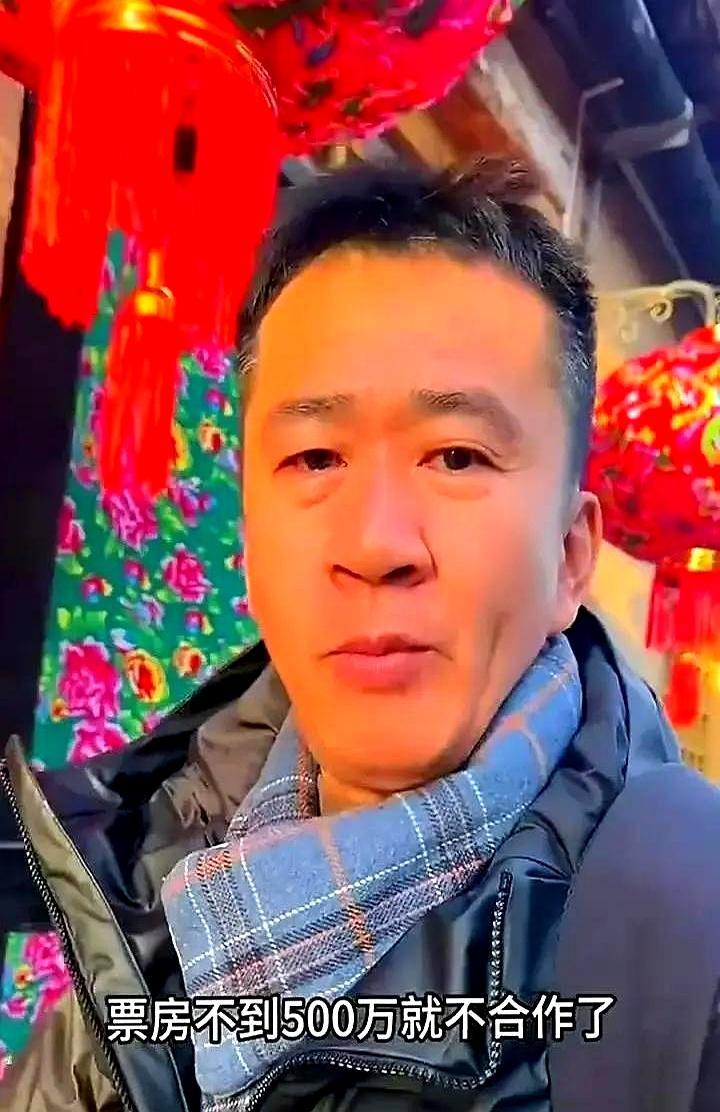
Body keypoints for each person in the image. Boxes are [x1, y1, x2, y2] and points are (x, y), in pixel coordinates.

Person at [1, 158, 719, 1112]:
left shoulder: (688, 942)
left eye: (456, 455)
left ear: (571, 556)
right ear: (249, 535)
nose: (376, 544)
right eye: (314, 457)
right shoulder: (147, 888)